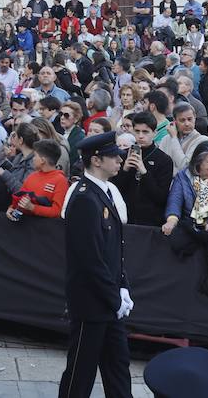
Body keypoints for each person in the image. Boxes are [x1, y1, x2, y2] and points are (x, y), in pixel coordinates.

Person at [58, 131, 132, 398]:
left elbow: (114, 250)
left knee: (118, 367)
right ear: (97, 160)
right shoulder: (84, 199)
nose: (119, 161)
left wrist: (123, 286)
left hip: (108, 300)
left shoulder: (105, 193)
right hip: (92, 302)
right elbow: (90, 258)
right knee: (81, 372)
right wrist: (114, 298)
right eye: (114, 156)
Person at [162, 142, 208, 257]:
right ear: (198, 162)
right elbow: (175, 200)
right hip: (187, 227)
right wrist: (171, 221)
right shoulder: (183, 176)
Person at [113, 111, 173, 226]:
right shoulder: (122, 156)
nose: (140, 136)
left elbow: (161, 197)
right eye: (137, 131)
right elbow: (115, 189)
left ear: (154, 133)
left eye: (145, 132)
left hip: (151, 222)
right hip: (125, 218)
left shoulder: (164, 160)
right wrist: (125, 169)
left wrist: (144, 171)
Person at [9, 139, 69, 219]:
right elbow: (19, 198)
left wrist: (33, 208)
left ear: (42, 160)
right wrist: (11, 208)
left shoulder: (60, 181)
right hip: (25, 225)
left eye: (35, 156)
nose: (33, 159)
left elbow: (57, 212)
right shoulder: (32, 176)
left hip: (45, 228)